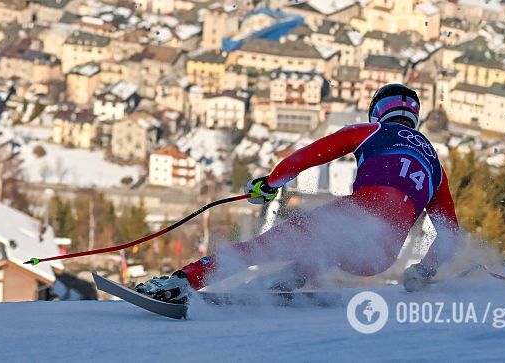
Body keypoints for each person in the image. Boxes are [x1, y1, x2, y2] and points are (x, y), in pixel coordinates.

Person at [136, 83, 459, 304]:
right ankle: (279, 286)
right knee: (326, 249)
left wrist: (270, 183)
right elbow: (450, 232)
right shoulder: (434, 164)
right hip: (380, 256)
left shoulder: (372, 131)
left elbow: (308, 156)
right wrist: (425, 269)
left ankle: (182, 283)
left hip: (357, 217)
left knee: (263, 246)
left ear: (378, 111)